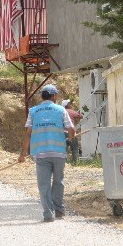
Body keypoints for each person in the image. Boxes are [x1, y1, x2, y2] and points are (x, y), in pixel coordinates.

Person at [19, 84, 74, 222]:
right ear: (54, 96)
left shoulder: (33, 111)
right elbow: (71, 129)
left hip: (41, 154)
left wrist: (22, 154)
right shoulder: (61, 110)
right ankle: (59, 210)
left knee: (44, 185)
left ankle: (48, 214)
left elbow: (28, 134)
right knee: (58, 182)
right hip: (58, 153)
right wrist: (70, 137)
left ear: (42, 96)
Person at [62, 99, 82, 163]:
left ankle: (64, 163)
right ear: (66, 105)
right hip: (71, 133)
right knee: (75, 148)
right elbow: (80, 116)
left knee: (64, 149)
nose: (70, 105)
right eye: (69, 103)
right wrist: (80, 114)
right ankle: (75, 162)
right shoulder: (70, 111)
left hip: (62, 133)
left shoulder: (61, 111)